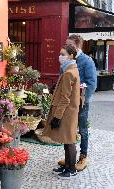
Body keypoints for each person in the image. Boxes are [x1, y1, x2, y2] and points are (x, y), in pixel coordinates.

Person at [58, 35, 97, 172]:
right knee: (68, 129)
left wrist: (81, 100)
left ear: (77, 46)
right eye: (65, 43)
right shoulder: (67, 58)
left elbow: (92, 84)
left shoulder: (87, 61)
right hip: (67, 103)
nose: (65, 46)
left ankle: (83, 157)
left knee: (82, 130)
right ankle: (70, 159)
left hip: (81, 103)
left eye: (69, 44)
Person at [44, 44, 80, 179]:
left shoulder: (69, 73)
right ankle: (67, 166)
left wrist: (57, 117)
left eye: (63, 54)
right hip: (70, 111)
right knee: (67, 140)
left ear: (71, 55)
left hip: (66, 112)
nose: (60, 56)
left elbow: (65, 99)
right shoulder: (71, 69)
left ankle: (71, 169)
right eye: (60, 53)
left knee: (69, 140)